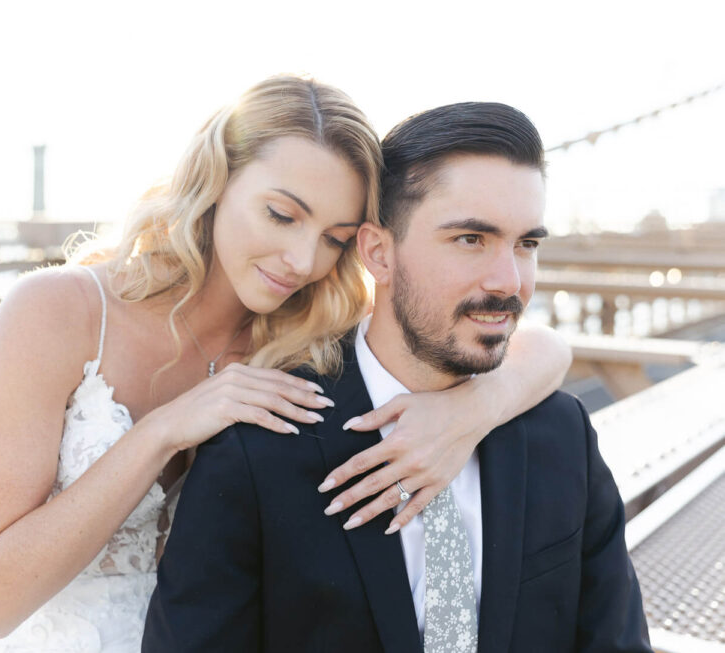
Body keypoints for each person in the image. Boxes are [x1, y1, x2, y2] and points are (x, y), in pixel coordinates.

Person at [0, 78, 571, 652]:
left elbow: (545, 348)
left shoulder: (302, 341)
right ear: (217, 181)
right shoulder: (58, 309)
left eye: (333, 238)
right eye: (281, 214)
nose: (301, 260)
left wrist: (467, 412)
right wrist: (164, 430)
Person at [142, 102, 651, 652]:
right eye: (470, 239)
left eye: (526, 244)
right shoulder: (257, 449)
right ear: (378, 254)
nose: (509, 282)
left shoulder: (562, 434)